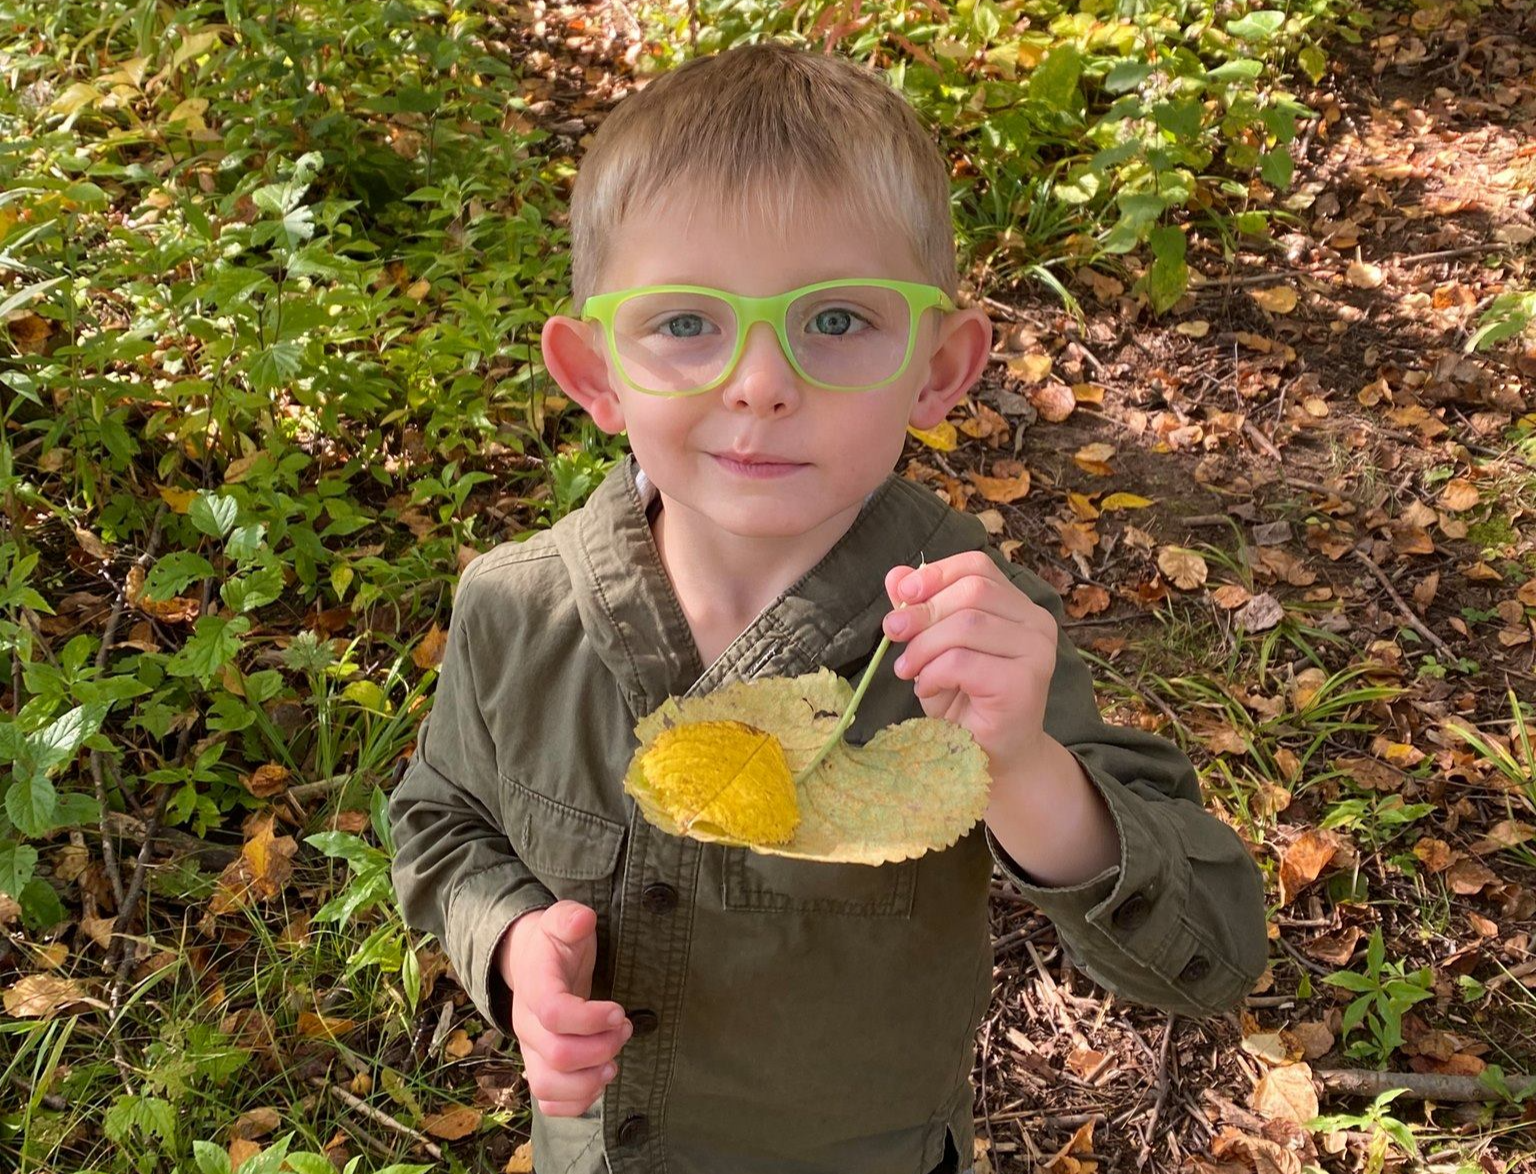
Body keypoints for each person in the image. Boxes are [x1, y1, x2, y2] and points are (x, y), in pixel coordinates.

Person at [388, 40, 1268, 1174]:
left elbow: (1213, 953)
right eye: (687, 323)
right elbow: (437, 817)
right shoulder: (517, 614)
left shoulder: (971, 642)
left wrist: (1028, 769)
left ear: (940, 367)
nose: (761, 381)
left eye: (838, 321)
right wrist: (512, 945)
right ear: (597, 372)